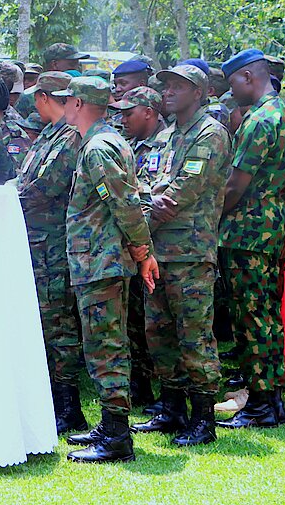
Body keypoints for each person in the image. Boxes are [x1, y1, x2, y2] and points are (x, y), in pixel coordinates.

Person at [57, 75, 158, 464]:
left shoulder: (99, 147)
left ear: (79, 104)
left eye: (68, 100)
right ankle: (110, 424)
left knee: (105, 346)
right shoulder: (102, 142)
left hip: (101, 261)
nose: (64, 106)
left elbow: (125, 204)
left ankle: (116, 435)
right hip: (99, 260)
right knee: (104, 343)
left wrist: (142, 250)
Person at [130, 65, 230, 446]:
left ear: (198, 93)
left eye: (177, 86)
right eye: (166, 86)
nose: (168, 92)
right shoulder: (166, 135)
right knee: (159, 333)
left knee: (194, 335)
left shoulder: (211, 134)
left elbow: (182, 191)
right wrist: (149, 201)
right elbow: (144, 181)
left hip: (190, 252)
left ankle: (203, 419)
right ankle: (172, 410)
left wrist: (147, 206)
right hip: (158, 251)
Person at [217, 49, 285, 428]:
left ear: (248, 77)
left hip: (246, 232)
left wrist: (211, 218)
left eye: (233, 82)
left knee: (249, 318)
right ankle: (272, 400)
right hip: (273, 227)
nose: (231, 91)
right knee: (267, 316)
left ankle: (261, 404)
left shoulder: (259, 120)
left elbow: (236, 184)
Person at [16, 71, 87, 434]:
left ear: (45, 98)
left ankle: (69, 406)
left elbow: (46, 186)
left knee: (59, 324)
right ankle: (51, 400)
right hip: (36, 242)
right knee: (44, 323)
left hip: (54, 245)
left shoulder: (70, 137)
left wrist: (7, 200)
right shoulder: (50, 134)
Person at [109, 85, 166, 410]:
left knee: (155, 321)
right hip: (133, 244)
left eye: (128, 113)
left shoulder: (166, 143)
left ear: (148, 112)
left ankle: (164, 388)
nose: (123, 120)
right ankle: (139, 384)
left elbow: (157, 196)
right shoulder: (127, 145)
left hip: (159, 244)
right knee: (133, 318)